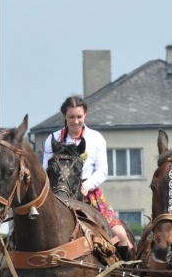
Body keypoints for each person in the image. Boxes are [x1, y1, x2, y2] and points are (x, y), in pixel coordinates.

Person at [42, 96, 131, 260]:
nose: (75, 121)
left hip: (89, 192)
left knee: (121, 235)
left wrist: (87, 185)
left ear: (85, 116)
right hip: (58, 194)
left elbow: (102, 170)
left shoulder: (96, 138)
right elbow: (45, 169)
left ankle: (124, 275)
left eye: (79, 117)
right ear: (64, 117)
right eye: (71, 117)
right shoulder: (52, 139)